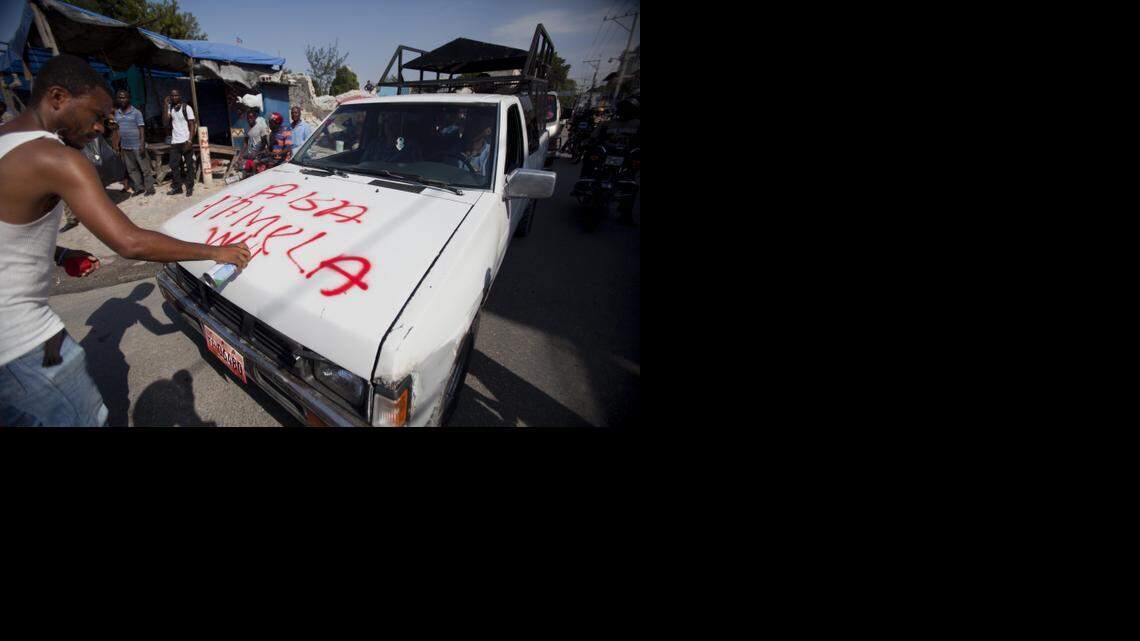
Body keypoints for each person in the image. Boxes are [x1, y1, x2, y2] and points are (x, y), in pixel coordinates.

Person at [0, 54, 250, 427]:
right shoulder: (58, 158)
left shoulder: (8, 140)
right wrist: (216, 251)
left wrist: (59, 252)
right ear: (57, 98)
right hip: (21, 341)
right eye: (96, 115)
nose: (101, 127)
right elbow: (129, 241)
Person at [112, 89, 154, 197]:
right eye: (120, 97)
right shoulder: (117, 113)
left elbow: (141, 128)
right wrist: (117, 144)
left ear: (129, 99)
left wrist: (142, 144)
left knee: (145, 168)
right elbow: (117, 130)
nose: (122, 99)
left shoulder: (136, 112)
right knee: (131, 169)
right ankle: (139, 188)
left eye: (124, 97)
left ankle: (150, 188)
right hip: (125, 146)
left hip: (137, 145)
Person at [162, 88, 196, 196]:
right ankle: (178, 187)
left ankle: (190, 187)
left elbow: (192, 125)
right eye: (172, 96)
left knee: (189, 165)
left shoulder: (187, 108)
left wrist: (190, 140)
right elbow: (165, 122)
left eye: (176, 95)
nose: (174, 97)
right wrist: (166, 105)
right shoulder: (170, 108)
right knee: (173, 165)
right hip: (175, 141)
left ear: (180, 96)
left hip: (186, 141)